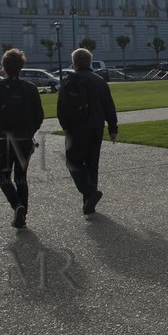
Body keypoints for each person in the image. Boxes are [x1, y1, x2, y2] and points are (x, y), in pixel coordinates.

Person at [0, 49, 45, 228]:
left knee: (3, 176)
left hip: (4, 139)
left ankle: (16, 205)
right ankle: (22, 213)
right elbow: (39, 116)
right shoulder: (30, 88)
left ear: (4, 67)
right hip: (25, 139)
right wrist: (30, 131)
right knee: (21, 176)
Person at [58, 47, 118, 216]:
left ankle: (89, 192)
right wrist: (113, 128)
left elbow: (61, 107)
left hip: (77, 128)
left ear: (74, 63)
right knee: (92, 165)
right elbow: (109, 107)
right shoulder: (99, 80)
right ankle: (89, 203)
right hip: (96, 127)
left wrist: (66, 126)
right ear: (90, 62)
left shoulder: (71, 80)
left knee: (73, 162)